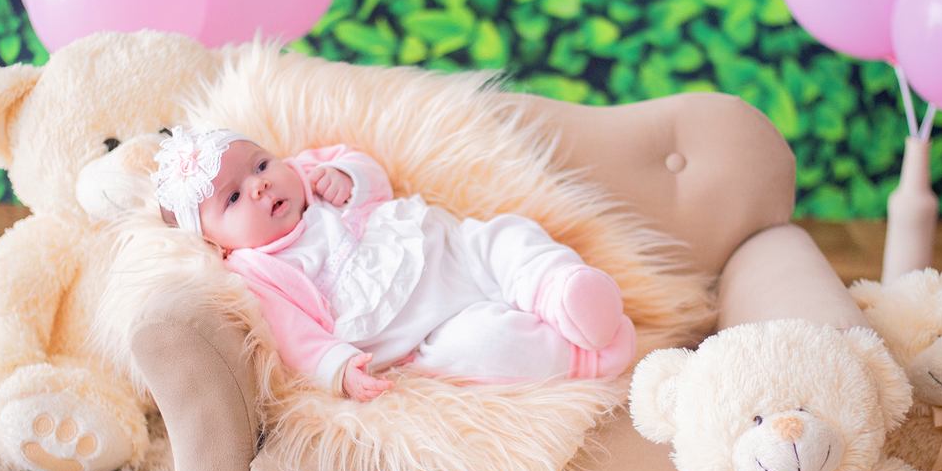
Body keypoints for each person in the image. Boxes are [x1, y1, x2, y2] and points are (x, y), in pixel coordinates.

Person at [153, 126, 636, 401]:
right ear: (217, 243)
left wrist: (348, 175)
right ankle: (586, 355)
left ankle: (560, 289)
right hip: (423, 332)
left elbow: (369, 173)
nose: (260, 185)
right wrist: (338, 368)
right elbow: (293, 333)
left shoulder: (309, 173)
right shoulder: (256, 271)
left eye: (260, 165)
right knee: (477, 349)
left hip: (451, 249)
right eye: (233, 197)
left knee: (507, 237)